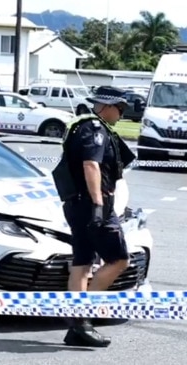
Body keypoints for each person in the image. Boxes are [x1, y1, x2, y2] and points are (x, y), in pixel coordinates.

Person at [51, 86, 136, 348]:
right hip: (91, 206)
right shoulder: (94, 129)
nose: (121, 113)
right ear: (106, 107)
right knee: (119, 260)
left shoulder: (83, 126)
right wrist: (99, 204)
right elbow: (91, 165)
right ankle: (82, 317)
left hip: (78, 205)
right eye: (120, 108)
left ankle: (77, 326)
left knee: (83, 263)